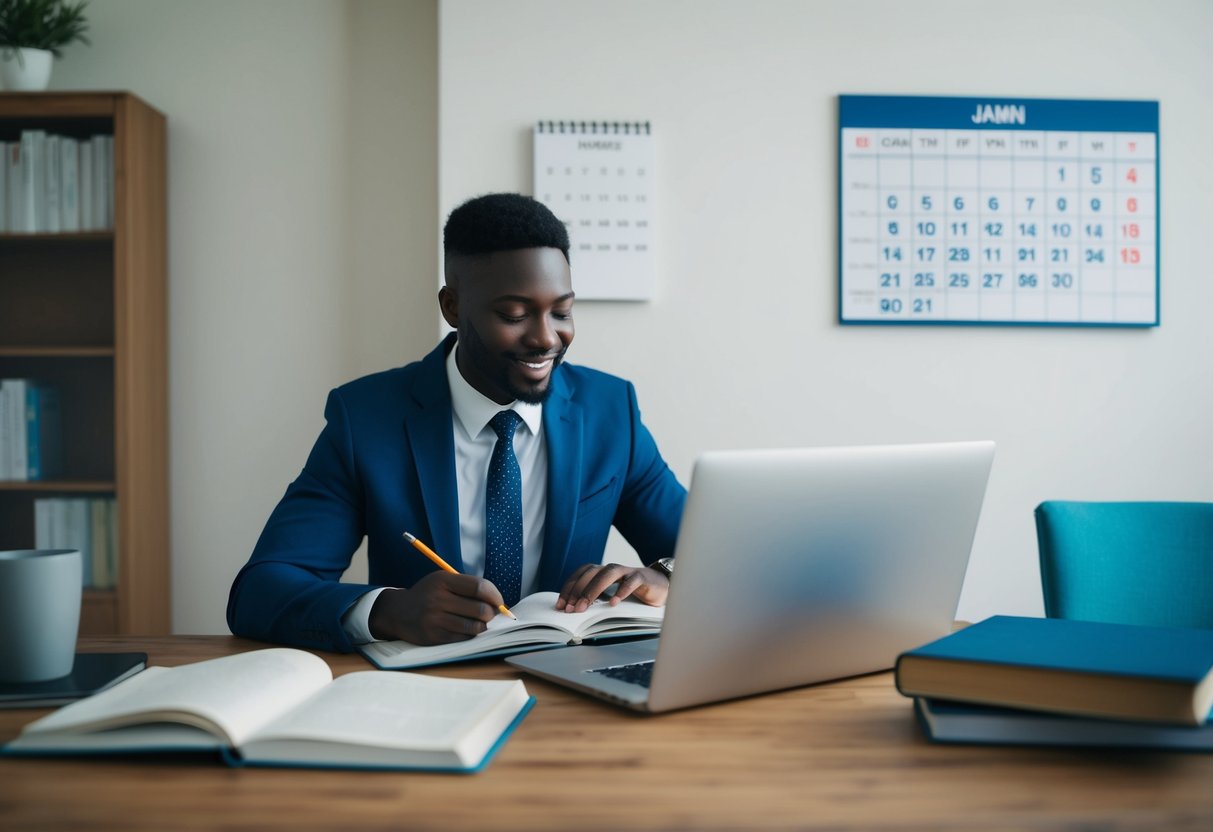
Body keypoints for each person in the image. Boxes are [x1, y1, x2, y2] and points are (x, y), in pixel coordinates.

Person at [227, 193, 687, 652]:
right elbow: (261, 591)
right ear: (452, 306)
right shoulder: (366, 418)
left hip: (571, 688)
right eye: (514, 315)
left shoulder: (610, 410)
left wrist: (663, 576)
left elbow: (718, 555)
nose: (546, 338)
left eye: (562, 312)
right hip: (425, 688)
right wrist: (391, 610)